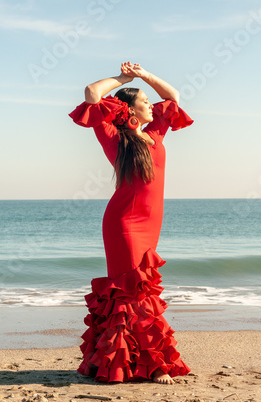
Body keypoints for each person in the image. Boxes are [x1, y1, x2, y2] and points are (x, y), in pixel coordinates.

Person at [68, 62, 194, 385]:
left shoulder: (155, 133)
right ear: (131, 112)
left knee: (141, 289)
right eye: (144, 101)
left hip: (150, 225)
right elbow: (92, 94)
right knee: (132, 294)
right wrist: (123, 79)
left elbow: (175, 97)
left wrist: (146, 76)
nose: (152, 105)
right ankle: (152, 366)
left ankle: (109, 361)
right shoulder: (115, 138)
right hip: (123, 225)